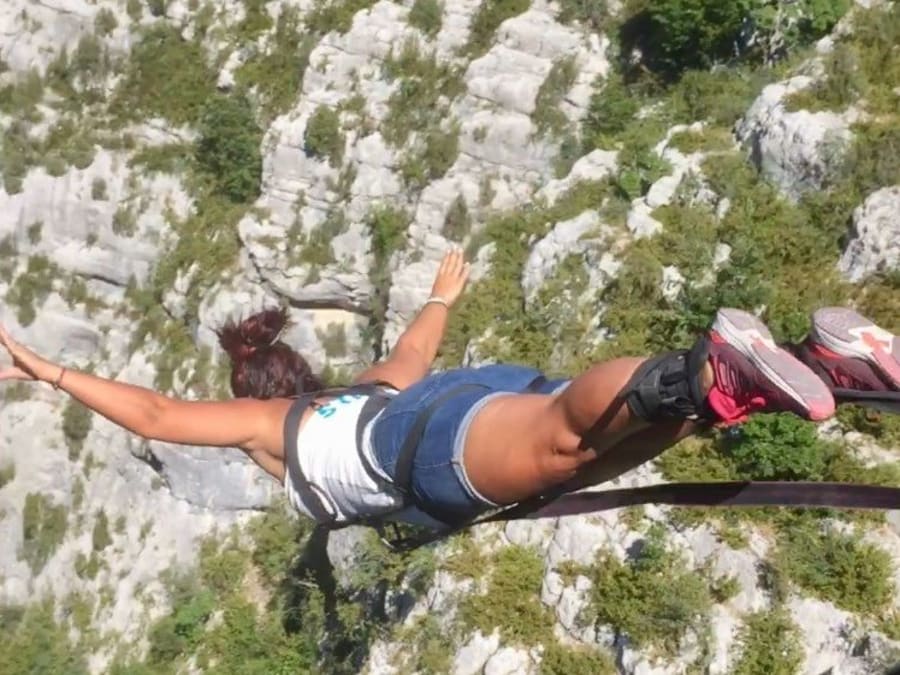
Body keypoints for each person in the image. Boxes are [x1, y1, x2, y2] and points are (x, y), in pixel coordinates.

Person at [1, 249, 897, 529]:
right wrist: (439, 296)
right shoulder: (359, 387)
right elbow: (414, 349)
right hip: (448, 397)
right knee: (612, 441)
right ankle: (813, 362)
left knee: (568, 441)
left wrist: (53, 372)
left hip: (416, 453)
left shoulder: (269, 427)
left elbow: (158, 415)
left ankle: (711, 366)